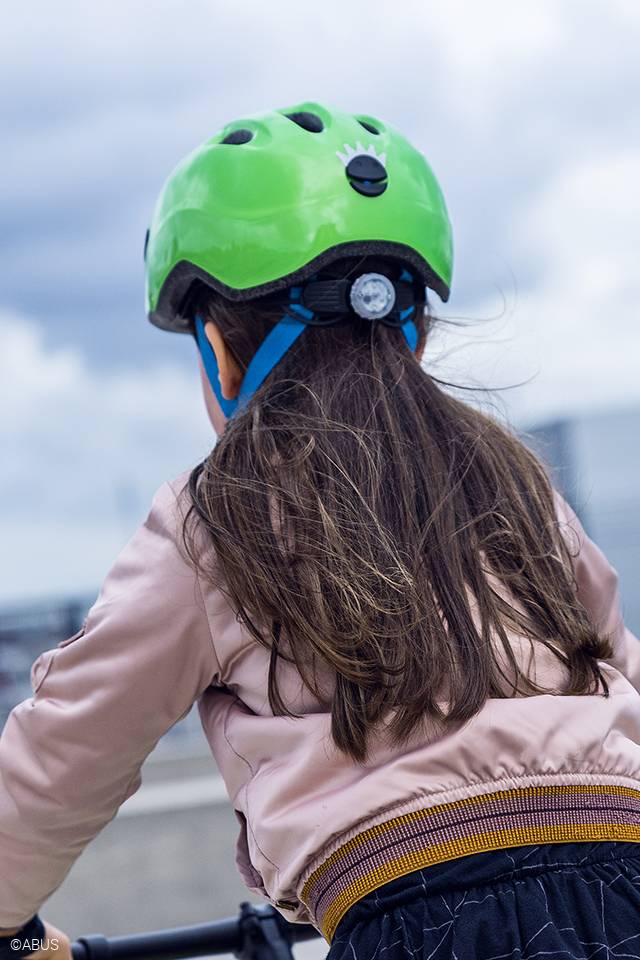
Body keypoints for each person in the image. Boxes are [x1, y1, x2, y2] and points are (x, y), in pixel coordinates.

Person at [2, 101, 640, 960]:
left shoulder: (215, 519)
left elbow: (65, 749)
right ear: (413, 333)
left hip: (420, 917)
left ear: (221, 356)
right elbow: (614, 664)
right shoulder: (514, 478)